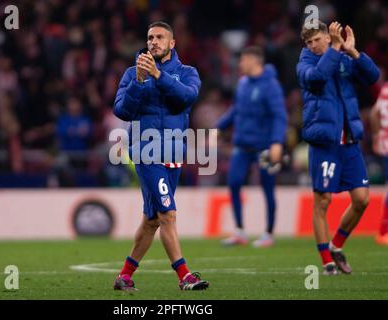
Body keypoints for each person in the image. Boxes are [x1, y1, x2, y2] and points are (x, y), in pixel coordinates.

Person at [112, 21, 209, 291]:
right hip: (146, 152)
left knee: (152, 218)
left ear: (172, 43)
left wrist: (158, 75)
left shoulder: (187, 72)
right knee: (168, 213)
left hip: (173, 153)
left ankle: (125, 276)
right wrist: (140, 83)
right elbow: (121, 111)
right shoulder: (133, 74)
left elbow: (185, 98)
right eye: (150, 37)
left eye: (159, 37)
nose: (153, 41)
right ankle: (185, 276)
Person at [297, 20, 379, 275]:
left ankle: (336, 245)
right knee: (323, 200)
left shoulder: (342, 58)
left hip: (350, 142)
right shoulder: (305, 64)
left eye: (316, 39)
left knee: (361, 199)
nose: (312, 45)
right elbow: (318, 78)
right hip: (325, 143)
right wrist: (334, 49)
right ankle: (326, 261)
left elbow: (373, 77)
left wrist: (353, 51)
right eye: (308, 42)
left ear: (326, 36)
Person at [216, 46, 287, 248]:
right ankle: (239, 231)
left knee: (268, 187)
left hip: (265, 146)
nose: (240, 65)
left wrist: (277, 142)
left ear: (254, 61)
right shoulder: (243, 83)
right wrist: (219, 127)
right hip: (242, 144)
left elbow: (279, 116)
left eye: (243, 60)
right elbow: (235, 110)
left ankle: (268, 233)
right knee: (234, 182)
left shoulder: (271, 85)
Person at [370, 80, 388, 245]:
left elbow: (374, 113)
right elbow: (374, 114)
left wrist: (376, 137)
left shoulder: (385, 89)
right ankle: (383, 231)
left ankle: (383, 231)